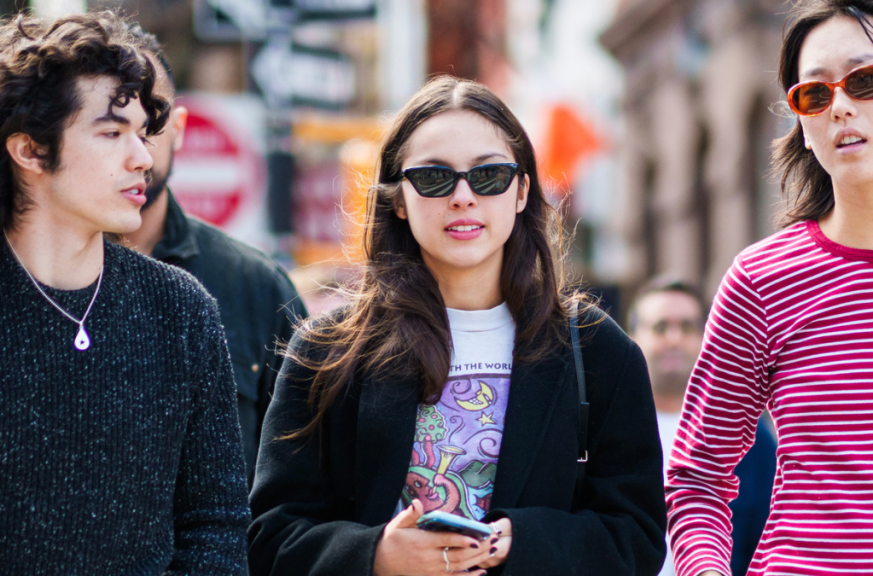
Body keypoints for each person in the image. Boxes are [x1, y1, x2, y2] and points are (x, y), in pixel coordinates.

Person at [248, 76, 667, 576]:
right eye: (434, 178)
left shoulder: (597, 350)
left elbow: (638, 537)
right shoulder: (327, 349)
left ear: (521, 191)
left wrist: (524, 544)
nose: (464, 197)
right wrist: (376, 556)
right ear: (398, 200)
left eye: (488, 175)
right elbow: (270, 535)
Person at [665, 1, 873, 574]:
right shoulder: (761, 281)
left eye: (867, 80)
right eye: (814, 95)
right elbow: (697, 479)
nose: (841, 108)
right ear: (800, 124)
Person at [0, 12, 248, 574]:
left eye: (143, 133)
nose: (142, 157)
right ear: (31, 152)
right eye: (112, 133)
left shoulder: (181, 309)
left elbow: (215, 521)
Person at [125, 26, 307, 485]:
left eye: (150, 126)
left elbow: (302, 482)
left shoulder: (256, 285)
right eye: (109, 130)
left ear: (179, 129)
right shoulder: (10, 275)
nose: (133, 152)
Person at [628, 277, 775, 576]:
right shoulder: (604, 433)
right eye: (659, 327)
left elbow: (769, 537)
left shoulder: (751, 439)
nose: (673, 338)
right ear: (632, 337)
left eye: (687, 326)